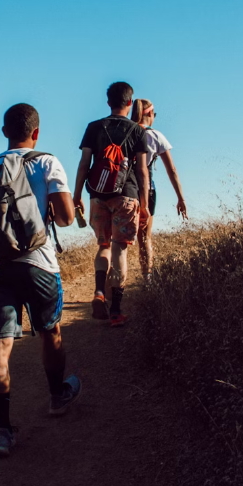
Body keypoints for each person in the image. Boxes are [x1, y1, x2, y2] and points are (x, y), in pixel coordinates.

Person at [0, 103, 81, 457]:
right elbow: (64, 219)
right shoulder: (47, 162)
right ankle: (57, 396)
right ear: (37, 132)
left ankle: (2, 432)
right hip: (38, 264)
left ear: (4, 132)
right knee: (50, 331)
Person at [72, 82, 149, 328]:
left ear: (108, 102)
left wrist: (77, 196)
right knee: (120, 250)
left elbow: (84, 163)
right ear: (130, 102)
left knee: (103, 245)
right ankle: (116, 311)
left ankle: (98, 292)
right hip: (127, 196)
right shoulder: (138, 131)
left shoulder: (94, 127)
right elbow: (142, 171)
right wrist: (145, 204)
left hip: (97, 195)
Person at [131, 98, 189, 282]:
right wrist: (181, 198)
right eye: (154, 114)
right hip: (147, 189)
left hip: (124, 189)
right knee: (144, 237)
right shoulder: (155, 135)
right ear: (149, 114)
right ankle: (147, 279)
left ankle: (113, 284)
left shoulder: (126, 132)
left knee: (117, 240)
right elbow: (171, 170)